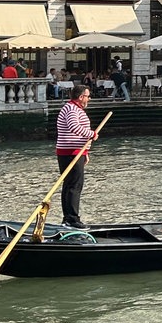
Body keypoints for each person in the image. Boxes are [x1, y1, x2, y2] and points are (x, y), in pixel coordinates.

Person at [55, 85, 97, 228]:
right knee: (74, 186)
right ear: (81, 97)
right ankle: (72, 219)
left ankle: (68, 218)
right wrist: (92, 134)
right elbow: (74, 127)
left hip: (73, 152)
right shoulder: (72, 109)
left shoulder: (71, 108)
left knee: (69, 185)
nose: (88, 99)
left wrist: (85, 152)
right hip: (71, 152)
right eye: (87, 96)